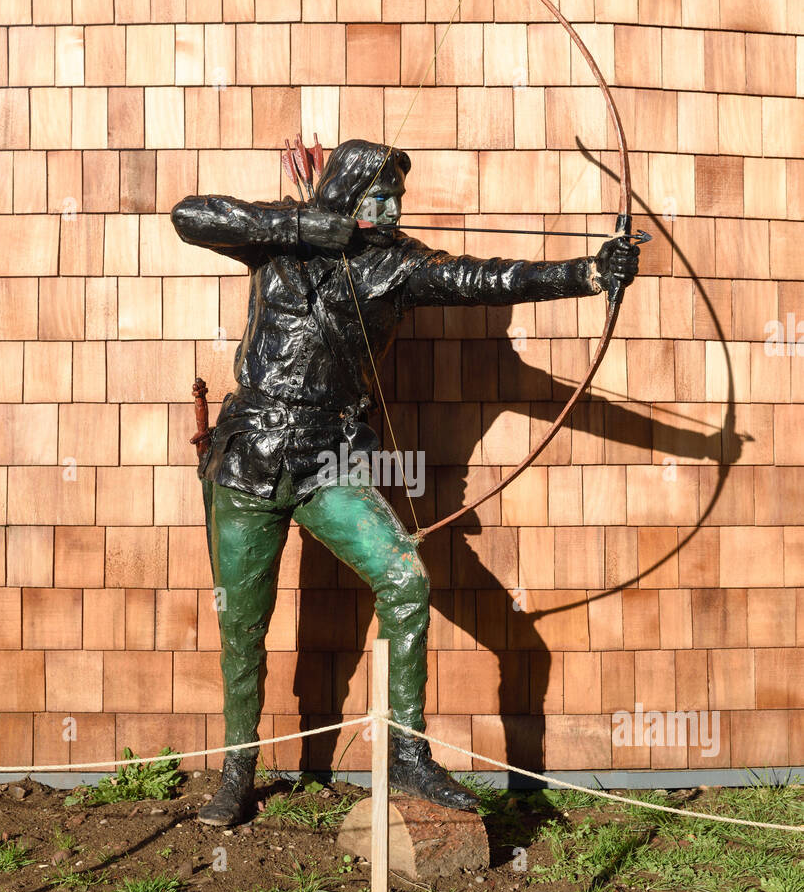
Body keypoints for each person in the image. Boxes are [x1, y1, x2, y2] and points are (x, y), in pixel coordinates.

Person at [171, 139, 639, 825]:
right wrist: (302, 228)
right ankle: (237, 772)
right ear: (342, 194)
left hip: (328, 462)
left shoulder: (399, 265)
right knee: (242, 629)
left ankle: (406, 753)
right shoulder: (279, 239)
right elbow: (191, 216)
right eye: (378, 195)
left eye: (397, 197)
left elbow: (488, 280)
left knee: (404, 579)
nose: (391, 208)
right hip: (246, 461)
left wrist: (589, 273)